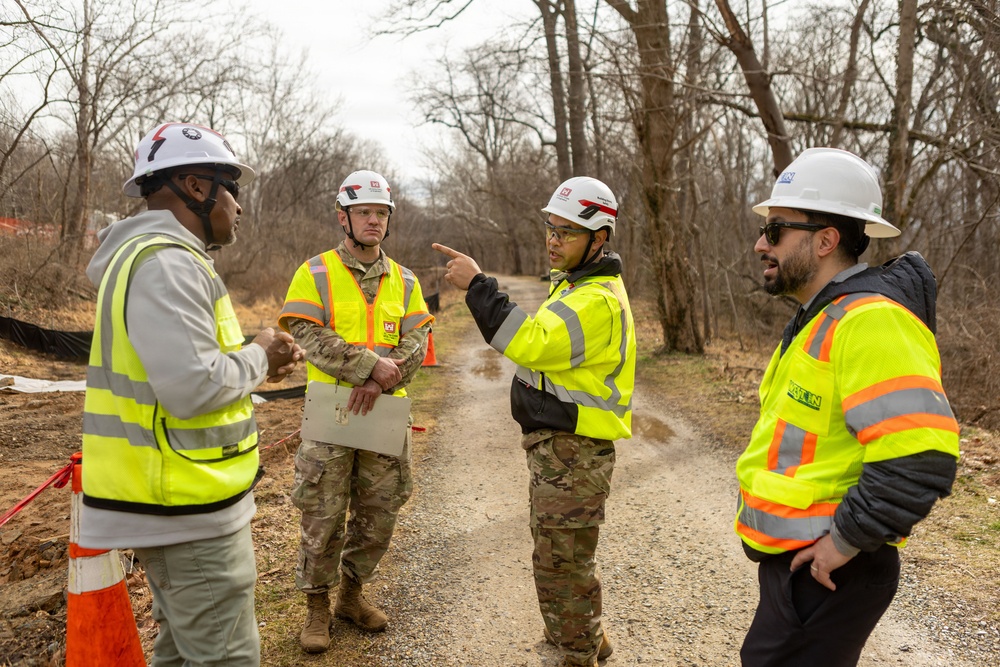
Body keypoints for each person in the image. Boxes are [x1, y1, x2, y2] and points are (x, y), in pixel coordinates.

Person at [79, 122, 303, 666]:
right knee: (226, 658)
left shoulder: (159, 259)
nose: (238, 208)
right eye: (233, 188)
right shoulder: (168, 263)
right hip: (186, 507)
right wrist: (261, 355)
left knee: (181, 654)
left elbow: (187, 375)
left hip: (174, 500)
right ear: (195, 187)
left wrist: (256, 364)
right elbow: (192, 388)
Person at [734, 147, 961, 667]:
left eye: (774, 231)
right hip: (804, 570)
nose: (758, 244)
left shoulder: (871, 321)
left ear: (825, 241)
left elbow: (921, 455)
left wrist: (844, 541)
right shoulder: (823, 318)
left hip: (831, 569)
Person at [433, 176, 636, 667]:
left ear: (600, 238)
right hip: (561, 449)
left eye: (567, 232)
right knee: (558, 554)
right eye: (551, 228)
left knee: (560, 562)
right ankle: (586, 637)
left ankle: (577, 652)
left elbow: (529, 342)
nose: (553, 239)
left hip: (576, 452)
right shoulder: (576, 286)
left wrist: (479, 286)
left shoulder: (596, 301)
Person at [278, 170, 434, 653]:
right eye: (364, 212)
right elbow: (307, 334)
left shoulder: (405, 279)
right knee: (322, 513)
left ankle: (351, 596)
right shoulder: (316, 272)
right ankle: (317, 610)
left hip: (384, 412)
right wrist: (367, 367)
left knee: (378, 512)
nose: (374, 220)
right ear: (343, 217)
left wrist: (383, 377)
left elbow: (417, 340)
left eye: (381, 213)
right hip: (331, 414)